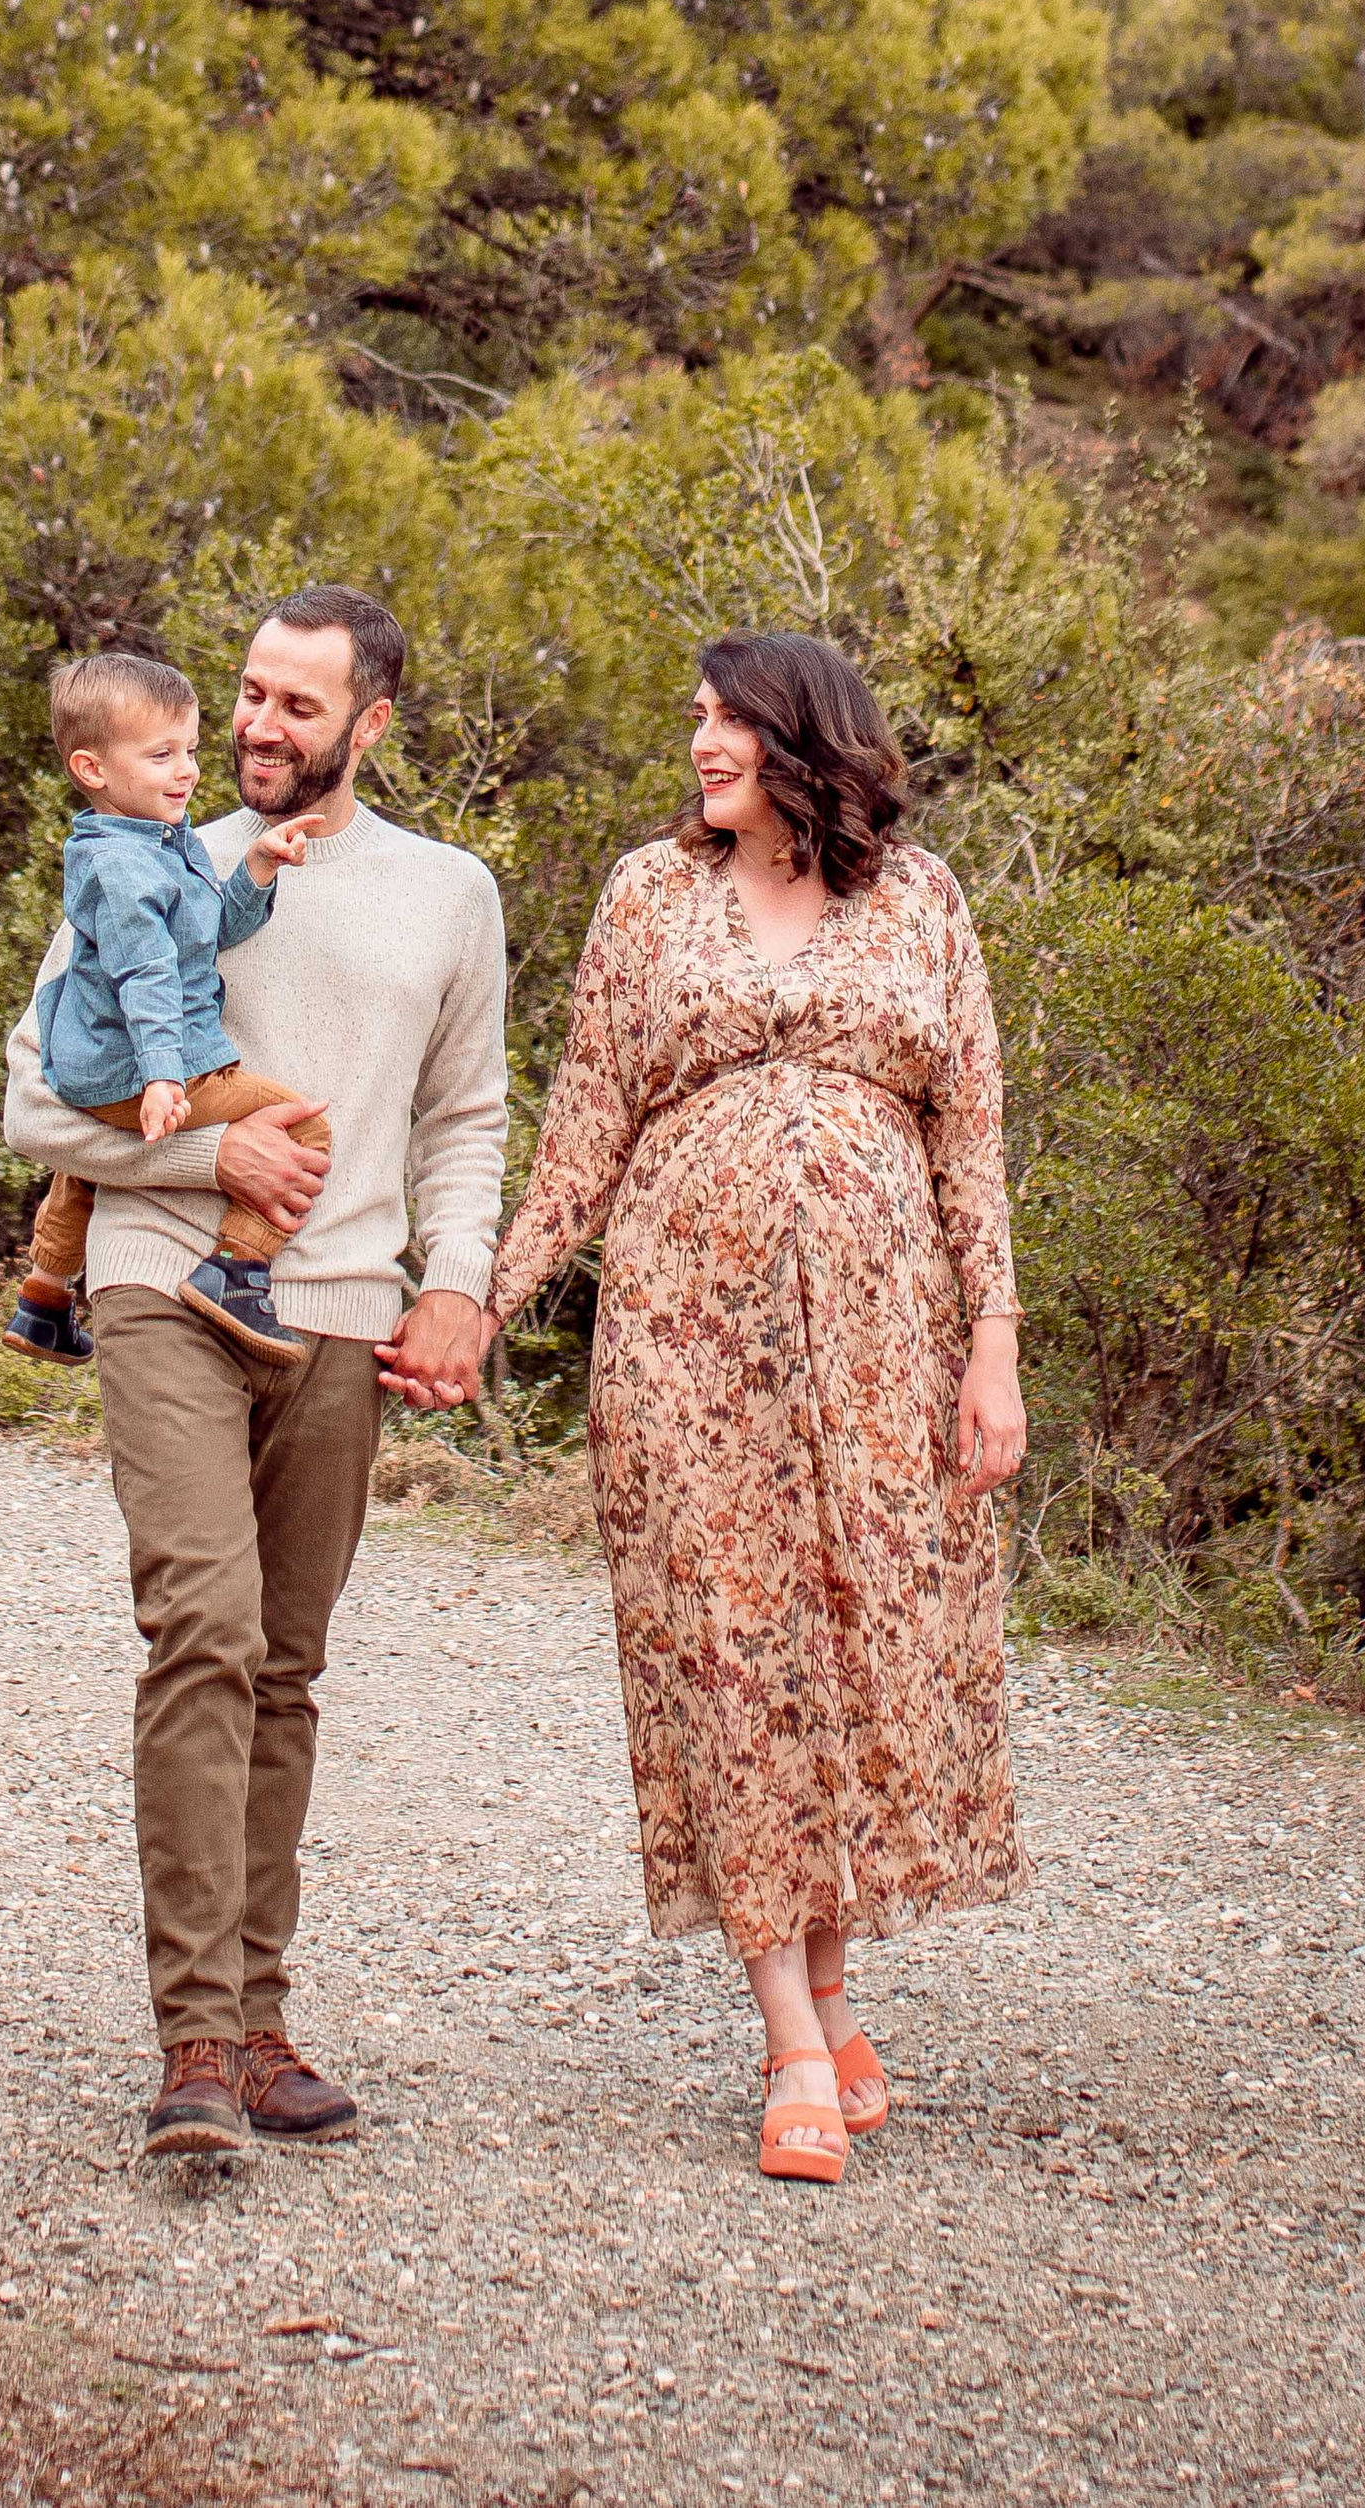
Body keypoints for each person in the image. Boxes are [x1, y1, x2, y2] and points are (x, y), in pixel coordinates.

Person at [479, 632, 1029, 2188]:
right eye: (695, 716)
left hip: (883, 1345)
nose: (699, 740)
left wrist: (994, 1346)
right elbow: (585, 1125)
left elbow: (971, 1134)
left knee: (850, 1653)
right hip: (683, 1342)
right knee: (727, 1651)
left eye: (726, 718)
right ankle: (789, 2033)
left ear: (803, 740)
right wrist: (483, 1302)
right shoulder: (649, 897)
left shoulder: (919, 901)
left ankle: (834, 1997)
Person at [3, 586, 507, 2158]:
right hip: (164, 1285)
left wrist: (459, 1283)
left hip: (344, 1315)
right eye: (247, 693)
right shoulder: (153, 856)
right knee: (206, 1630)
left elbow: (465, 1116)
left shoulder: (448, 893)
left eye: (298, 704)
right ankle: (197, 2044)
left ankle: (261, 2017)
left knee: (286, 1664)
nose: (255, 727)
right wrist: (208, 1158)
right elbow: (36, 1104)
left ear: (372, 724)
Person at [3, 649, 323, 1370]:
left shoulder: (151, 844)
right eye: (161, 755)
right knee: (304, 1124)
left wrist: (257, 867)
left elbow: (204, 934)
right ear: (92, 769)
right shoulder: (126, 868)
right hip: (142, 1069)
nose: (187, 771)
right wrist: (163, 1077)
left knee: (83, 1166)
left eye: (191, 751)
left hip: (97, 1072)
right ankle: (236, 1268)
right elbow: (147, 976)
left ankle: (44, 1297)